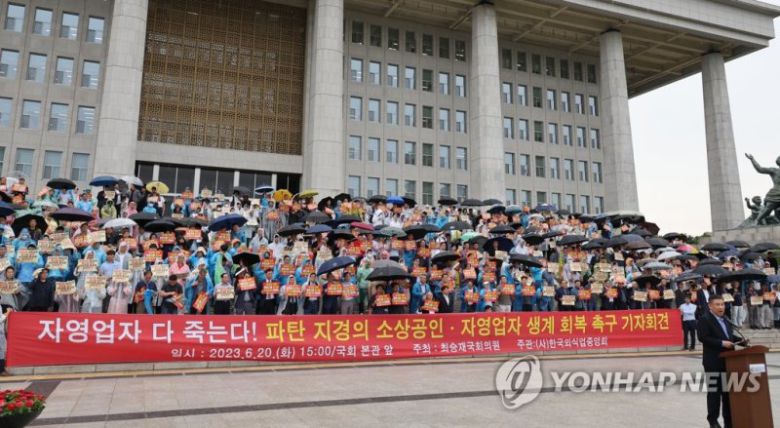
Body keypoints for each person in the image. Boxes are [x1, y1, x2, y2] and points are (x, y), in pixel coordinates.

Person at [697, 295, 747, 428]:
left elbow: (728, 336)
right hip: (713, 362)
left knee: (727, 395)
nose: (721, 307)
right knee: (714, 393)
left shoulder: (725, 320)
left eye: (722, 304)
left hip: (728, 362)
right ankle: (712, 420)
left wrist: (742, 342)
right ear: (710, 306)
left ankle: (728, 422)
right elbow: (703, 338)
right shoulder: (704, 319)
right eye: (717, 304)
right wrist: (721, 343)